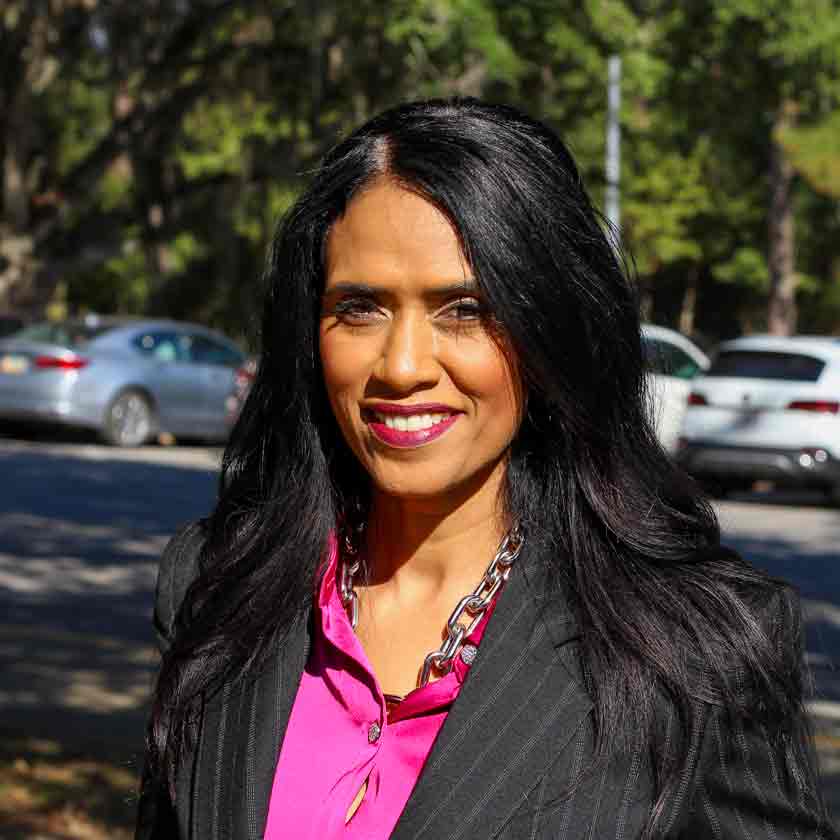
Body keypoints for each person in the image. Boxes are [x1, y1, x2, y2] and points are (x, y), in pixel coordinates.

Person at [135, 98, 834, 840]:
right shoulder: (214, 584)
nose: (402, 367)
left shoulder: (696, 648)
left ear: (548, 329)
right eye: (361, 307)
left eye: (464, 309)